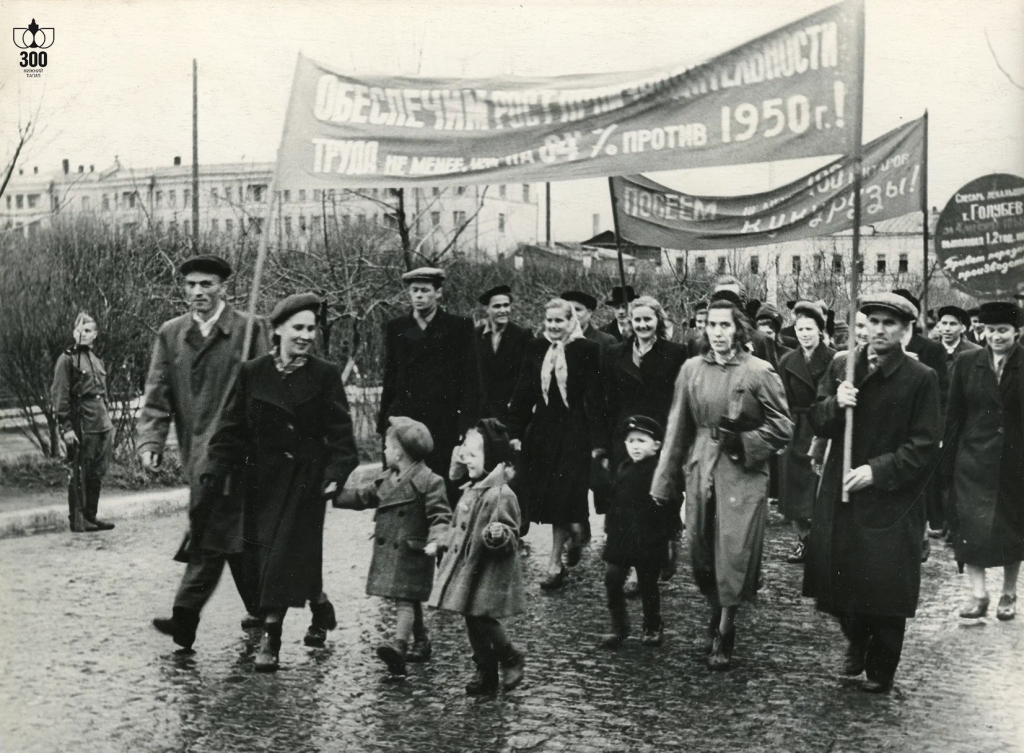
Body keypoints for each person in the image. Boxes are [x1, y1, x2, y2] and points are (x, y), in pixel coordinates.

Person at [200, 293, 360, 671]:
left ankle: (271, 638)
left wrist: (335, 476)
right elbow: (230, 427)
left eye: (311, 328)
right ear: (277, 330)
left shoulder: (324, 374)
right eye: (298, 328)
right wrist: (215, 467)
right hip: (260, 482)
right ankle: (319, 606)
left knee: (281, 557)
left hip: (306, 483)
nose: (306, 336)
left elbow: (342, 437)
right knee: (271, 558)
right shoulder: (251, 372)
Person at [803, 293, 940, 694]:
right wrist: (834, 403)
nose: (879, 330)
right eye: (873, 321)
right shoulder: (845, 365)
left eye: (889, 324)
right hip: (842, 492)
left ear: (905, 331)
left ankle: (881, 669)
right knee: (838, 580)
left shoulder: (920, 377)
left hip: (890, 498)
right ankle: (856, 637)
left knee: (883, 588)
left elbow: (924, 445)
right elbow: (815, 417)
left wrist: (876, 472)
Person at [651, 299, 793, 670]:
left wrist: (745, 441)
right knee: (701, 551)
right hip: (701, 467)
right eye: (711, 325)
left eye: (725, 326)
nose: (717, 333)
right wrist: (663, 483)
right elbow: (676, 426)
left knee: (733, 551)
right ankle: (717, 607)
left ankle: (725, 629)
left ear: (739, 330)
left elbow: (783, 426)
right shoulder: (691, 370)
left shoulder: (759, 371)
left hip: (743, 474)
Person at [144, 255, 272, 650]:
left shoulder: (249, 331)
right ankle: (270, 610)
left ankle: (186, 617)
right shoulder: (171, 334)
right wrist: (150, 442)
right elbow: (157, 394)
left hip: (237, 453)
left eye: (206, 284)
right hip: (195, 452)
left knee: (214, 529)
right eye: (190, 285)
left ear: (223, 288)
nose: (197, 292)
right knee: (230, 537)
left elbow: (266, 395)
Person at [336, 416, 451, 675]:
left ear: (399, 453)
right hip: (396, 551)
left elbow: (441, 516)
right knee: (408, 597)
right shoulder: (389, 478)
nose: (385, 451)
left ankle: (399, 647)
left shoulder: (430, 481)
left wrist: (436, 540)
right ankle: (421, 641)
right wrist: (335, 495)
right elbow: (364, 496)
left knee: (404, 600)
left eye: (387, 447)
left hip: (414, 551)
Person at [508, 298, 608, 590]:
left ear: (570, 321)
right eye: (549, 321)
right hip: (543, 433)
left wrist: (599, 442)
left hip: (577, 432)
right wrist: (515, 431)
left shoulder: (587, 350)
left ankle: (556, 561)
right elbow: (524, 392)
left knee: (568, 495)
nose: (553, 326)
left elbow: (596, 398)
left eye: (559, 321)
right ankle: (573, 537)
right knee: (552, 497)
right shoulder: (536, 348)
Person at [429, 419, 526, 695]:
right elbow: (458, 525)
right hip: (469, 566)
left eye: (474, 455)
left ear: (492, 459)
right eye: (465, 453)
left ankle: (510, 655)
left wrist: (499, 535)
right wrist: (442, 543)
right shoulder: (473, 488)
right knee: (470, 617)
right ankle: (486, 671)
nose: (466, 460)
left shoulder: (500, 494)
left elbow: (511, 532)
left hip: (488, 568)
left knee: (481, 616)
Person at [944, 301, 1024, 622]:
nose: (995, 337)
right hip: (973, 462)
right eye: (990, 330)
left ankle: (1008, 592)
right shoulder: (967, 362)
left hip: (1015, 464)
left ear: (1017, 332)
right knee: (971, 528)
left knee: (1012, 529)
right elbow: (954, 417)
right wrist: (948, 463)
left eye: (1003, 330)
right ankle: (978, 595)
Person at [379, 266, 482, 503]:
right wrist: (385, 422)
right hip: (408, 423)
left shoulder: (459, 327)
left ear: (438, 293)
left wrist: (468, 425)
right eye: (414, 290)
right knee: (407, 489)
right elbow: (391, 378)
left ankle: (444, 539)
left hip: (445, 424)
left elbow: (472, 381)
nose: (419, 296)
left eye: (425, 290)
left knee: (444, 489)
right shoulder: (398, 328)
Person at [601, 416, 677, 649]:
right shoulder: (623, 469)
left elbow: (672, 507)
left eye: (642, 441)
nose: (635, 446)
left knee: (648, 585)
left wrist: (672, 540)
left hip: (649, 540)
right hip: (621, 539)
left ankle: (652, 625)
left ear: (656, 446)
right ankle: (619, 625)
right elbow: (614, 503)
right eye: (631, 441)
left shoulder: (661, 473)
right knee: (612, 579)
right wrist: (608, 529)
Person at [777, 301, 835, 564]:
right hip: (795, 427)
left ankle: (823, 540)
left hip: (823, 426)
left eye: (809, 329)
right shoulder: (787, 360)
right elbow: (780, 401)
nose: (804, 334)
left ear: (820, 331)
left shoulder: (835, 358)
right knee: (794, 488)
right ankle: (803, 539)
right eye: (800, 329)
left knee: (821, 487)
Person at [892, 289, 949, 548]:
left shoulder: (931, 349)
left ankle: (920, 533)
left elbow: (942, 393)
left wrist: (938, 431)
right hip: (887, 429)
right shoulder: (877, 347)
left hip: (918, 428)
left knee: (918, 481)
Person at [51, 312, 115, 533]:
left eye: (88, 331)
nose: (83, 334)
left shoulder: (96, 361)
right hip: (83, 423)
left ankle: (91, 515)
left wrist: (108, 420)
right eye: (79, 330)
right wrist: (66, 428)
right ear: (73, 333)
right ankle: (77, 519)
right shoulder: (67, 359)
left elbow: (103, 394)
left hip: (101, 423)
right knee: (80, 470)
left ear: (94, 335)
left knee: (97, 471)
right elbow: (60, 395)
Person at [476, 285, 532, 423]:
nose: (503, 310)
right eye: (497, 306)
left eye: (506, 305)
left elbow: (528, 376)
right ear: (486, 308)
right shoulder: (475, 335)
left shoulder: (523, 336)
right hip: (480, 412)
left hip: (510, 413)